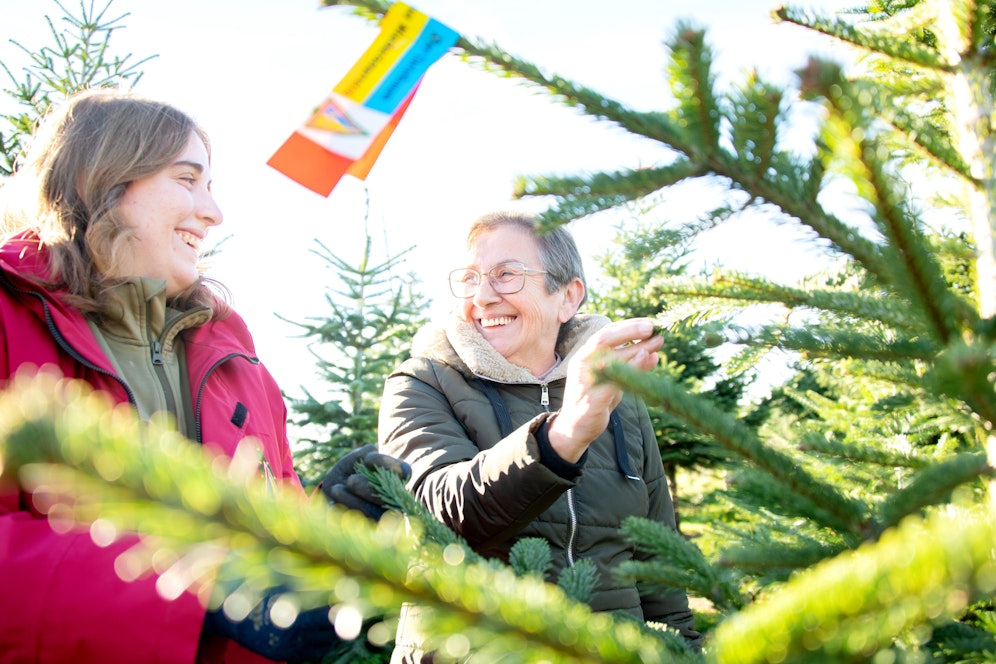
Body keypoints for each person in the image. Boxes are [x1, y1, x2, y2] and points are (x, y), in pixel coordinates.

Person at [0, 87, 402, 664]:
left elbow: (262, 559)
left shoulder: (238, 365)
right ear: (100, 178)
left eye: (209, 186)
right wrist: (200, 585)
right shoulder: (9, 316)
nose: (213, 213)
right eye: (187, 179)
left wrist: (326, 527)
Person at [378, 210, 704, 661]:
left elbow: (656, 558)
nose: (482, 296)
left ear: (567, 297)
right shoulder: (422, 382)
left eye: (506, 275)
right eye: (470, 278)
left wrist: (683, 651)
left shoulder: (620, 399)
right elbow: (434, 511)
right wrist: (563, 436)